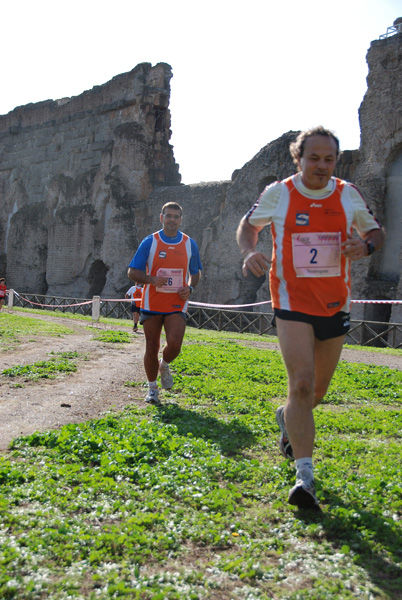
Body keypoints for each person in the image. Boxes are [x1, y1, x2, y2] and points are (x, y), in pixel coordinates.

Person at [236, 126, 384, 510]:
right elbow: (248, 227)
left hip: (335, 304)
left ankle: (287, 418)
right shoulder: (279, 193)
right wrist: (249, 251)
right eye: (313, 157)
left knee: (315, 394)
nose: (321, 165)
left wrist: (364, 245)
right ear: (298, 158)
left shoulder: (347, 194)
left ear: (335, 161)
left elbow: (375, 232)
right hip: (290, 301)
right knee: (301, 383)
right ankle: (304, 477)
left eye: (328, 159)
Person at [127, 202, 202, 404]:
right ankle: (152, 389)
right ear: (161, 218)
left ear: (180, 220)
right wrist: (151, 279)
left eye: (176, 216)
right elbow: (132, 272)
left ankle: (165, 364)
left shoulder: (189, 243)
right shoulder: (150, 242)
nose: (172, 220)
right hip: (151, 302)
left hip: (177, 302)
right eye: (168, 216)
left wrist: (190, 287)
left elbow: (195, 274)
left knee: (175, 343)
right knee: (151, 346)